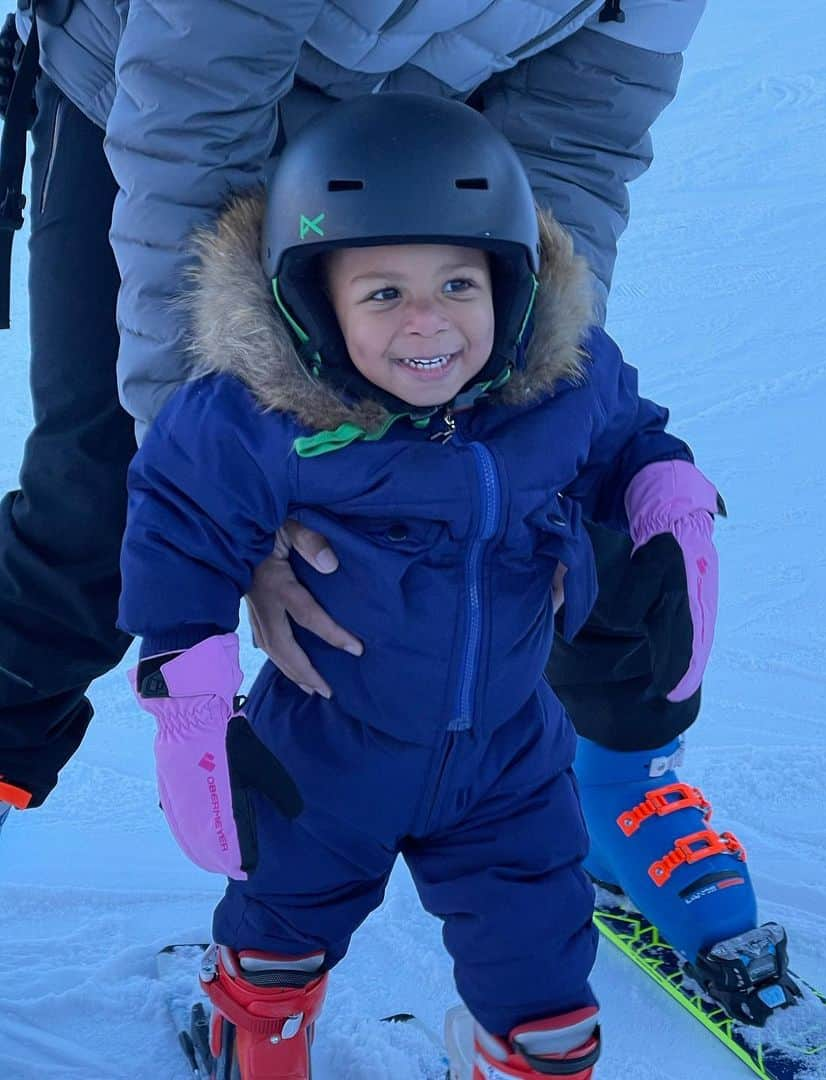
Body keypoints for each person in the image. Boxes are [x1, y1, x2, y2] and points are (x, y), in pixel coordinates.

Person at [0, 0, 779, 1019]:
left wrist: (526, 387)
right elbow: (195, 120)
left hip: (428, 148)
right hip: (163, 92)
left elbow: (577, 144)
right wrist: (227, 474)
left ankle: (622, 778)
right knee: (107, 501)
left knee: (540, 476)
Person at [120, 93, 723, 1080]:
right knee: (280, 928)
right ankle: (256, 1033)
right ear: (316, 304)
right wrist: (187, 687)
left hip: (509, 762)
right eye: (383, 294)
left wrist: (667, 494)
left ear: (511, 287)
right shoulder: (260, 421)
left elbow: (625, 435)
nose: (429, 322)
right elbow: (180, 521)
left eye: (457, 282)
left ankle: (525, 1058)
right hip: (322, 749)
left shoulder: (559, 390)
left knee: (546, 981)